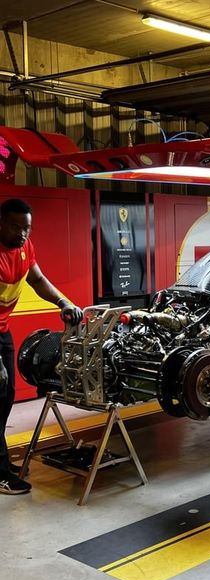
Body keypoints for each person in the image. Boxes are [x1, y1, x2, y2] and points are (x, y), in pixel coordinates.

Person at [0, 198, 83, 495]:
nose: (22, 233)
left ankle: (1, 463)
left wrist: (64, 302)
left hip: (2, 329)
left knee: (5, 395)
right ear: (1, 222)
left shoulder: (24, 248)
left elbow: (36, 279)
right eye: (15, 226)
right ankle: (0, 471)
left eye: (27, 228)